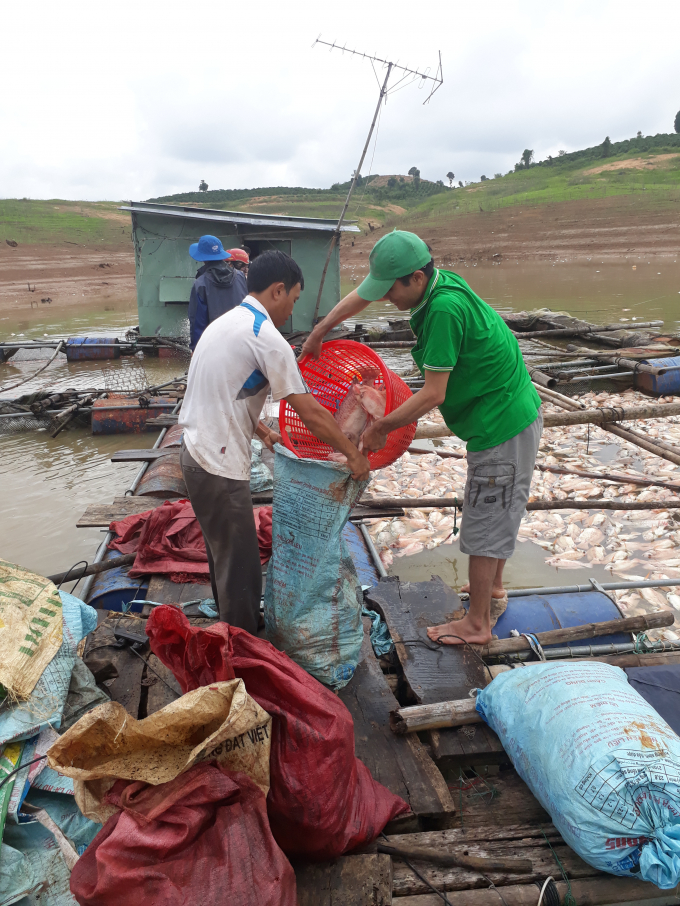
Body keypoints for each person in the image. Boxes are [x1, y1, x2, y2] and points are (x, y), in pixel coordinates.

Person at [300, 230, 542, 646]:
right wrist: (321, 330)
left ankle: (478, 624)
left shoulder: (444, 310)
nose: (386, 299)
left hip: (501, 421)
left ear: (414, 277)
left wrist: (379, 427)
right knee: (497, 507)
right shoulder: (436, 281)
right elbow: (362, 295)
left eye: (391, 290)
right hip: (508, 411)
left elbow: (433, 393)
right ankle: (495, 590)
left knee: (486, 515)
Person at [179, 249, 371, 635]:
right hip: (217, 465)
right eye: (295, 300)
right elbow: (312, 413)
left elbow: (226, 393)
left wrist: (265, 433)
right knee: (243, 566)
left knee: (224, 558)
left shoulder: (228, 323)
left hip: (193, 453)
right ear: (278, 291)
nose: (293, 312)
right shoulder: (265, 337)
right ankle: (244, 649)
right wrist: (353, 454)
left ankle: (231, 628)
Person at [187, 235, 248, 350]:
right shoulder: (241, 277)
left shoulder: (200, 284)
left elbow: (197, 322)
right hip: (242, 343)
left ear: (203, 258)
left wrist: (196, 348)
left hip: (214, 347)